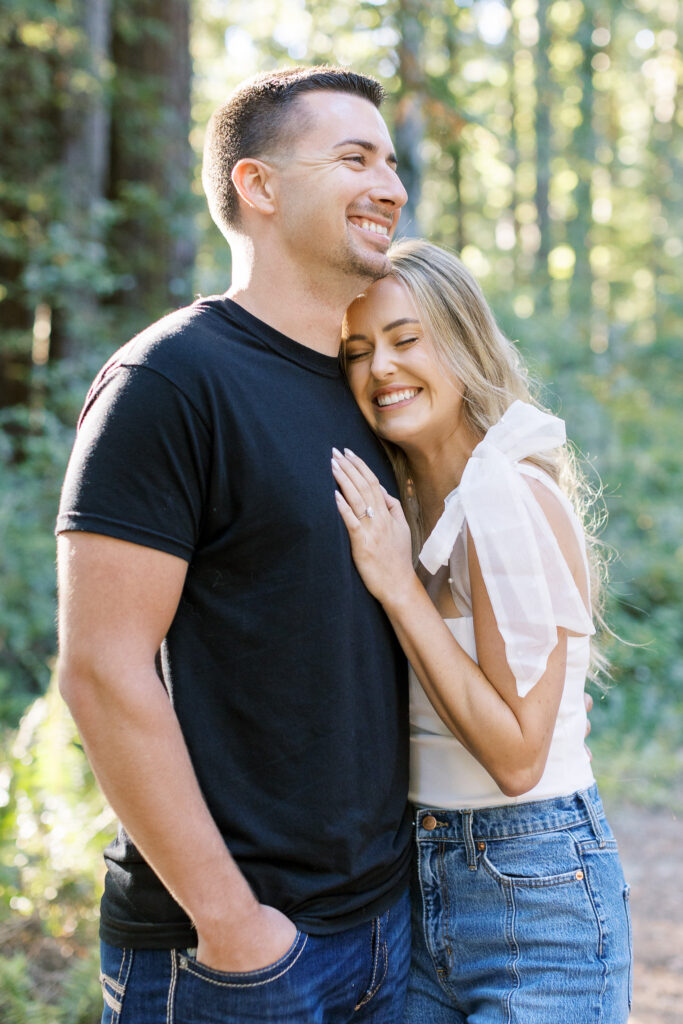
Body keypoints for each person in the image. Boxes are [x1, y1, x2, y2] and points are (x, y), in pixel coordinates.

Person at [56, 67, 415, 1024]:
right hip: (235, 960)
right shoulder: (170, 381)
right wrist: (234, 926)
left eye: (390, 160)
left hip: (387, 933)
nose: (391, 184)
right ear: (257, 186)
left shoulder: (373, 388)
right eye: (354, 158)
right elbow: (101, 668)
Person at [332, 238, 632, 1023]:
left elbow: (515, 758)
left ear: (462, 342)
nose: (381, 369)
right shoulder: (411, 506)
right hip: (418, 876)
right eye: (358, 351)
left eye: (405, 339)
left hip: (532, 891)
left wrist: (399, 589)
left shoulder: (500, 494)